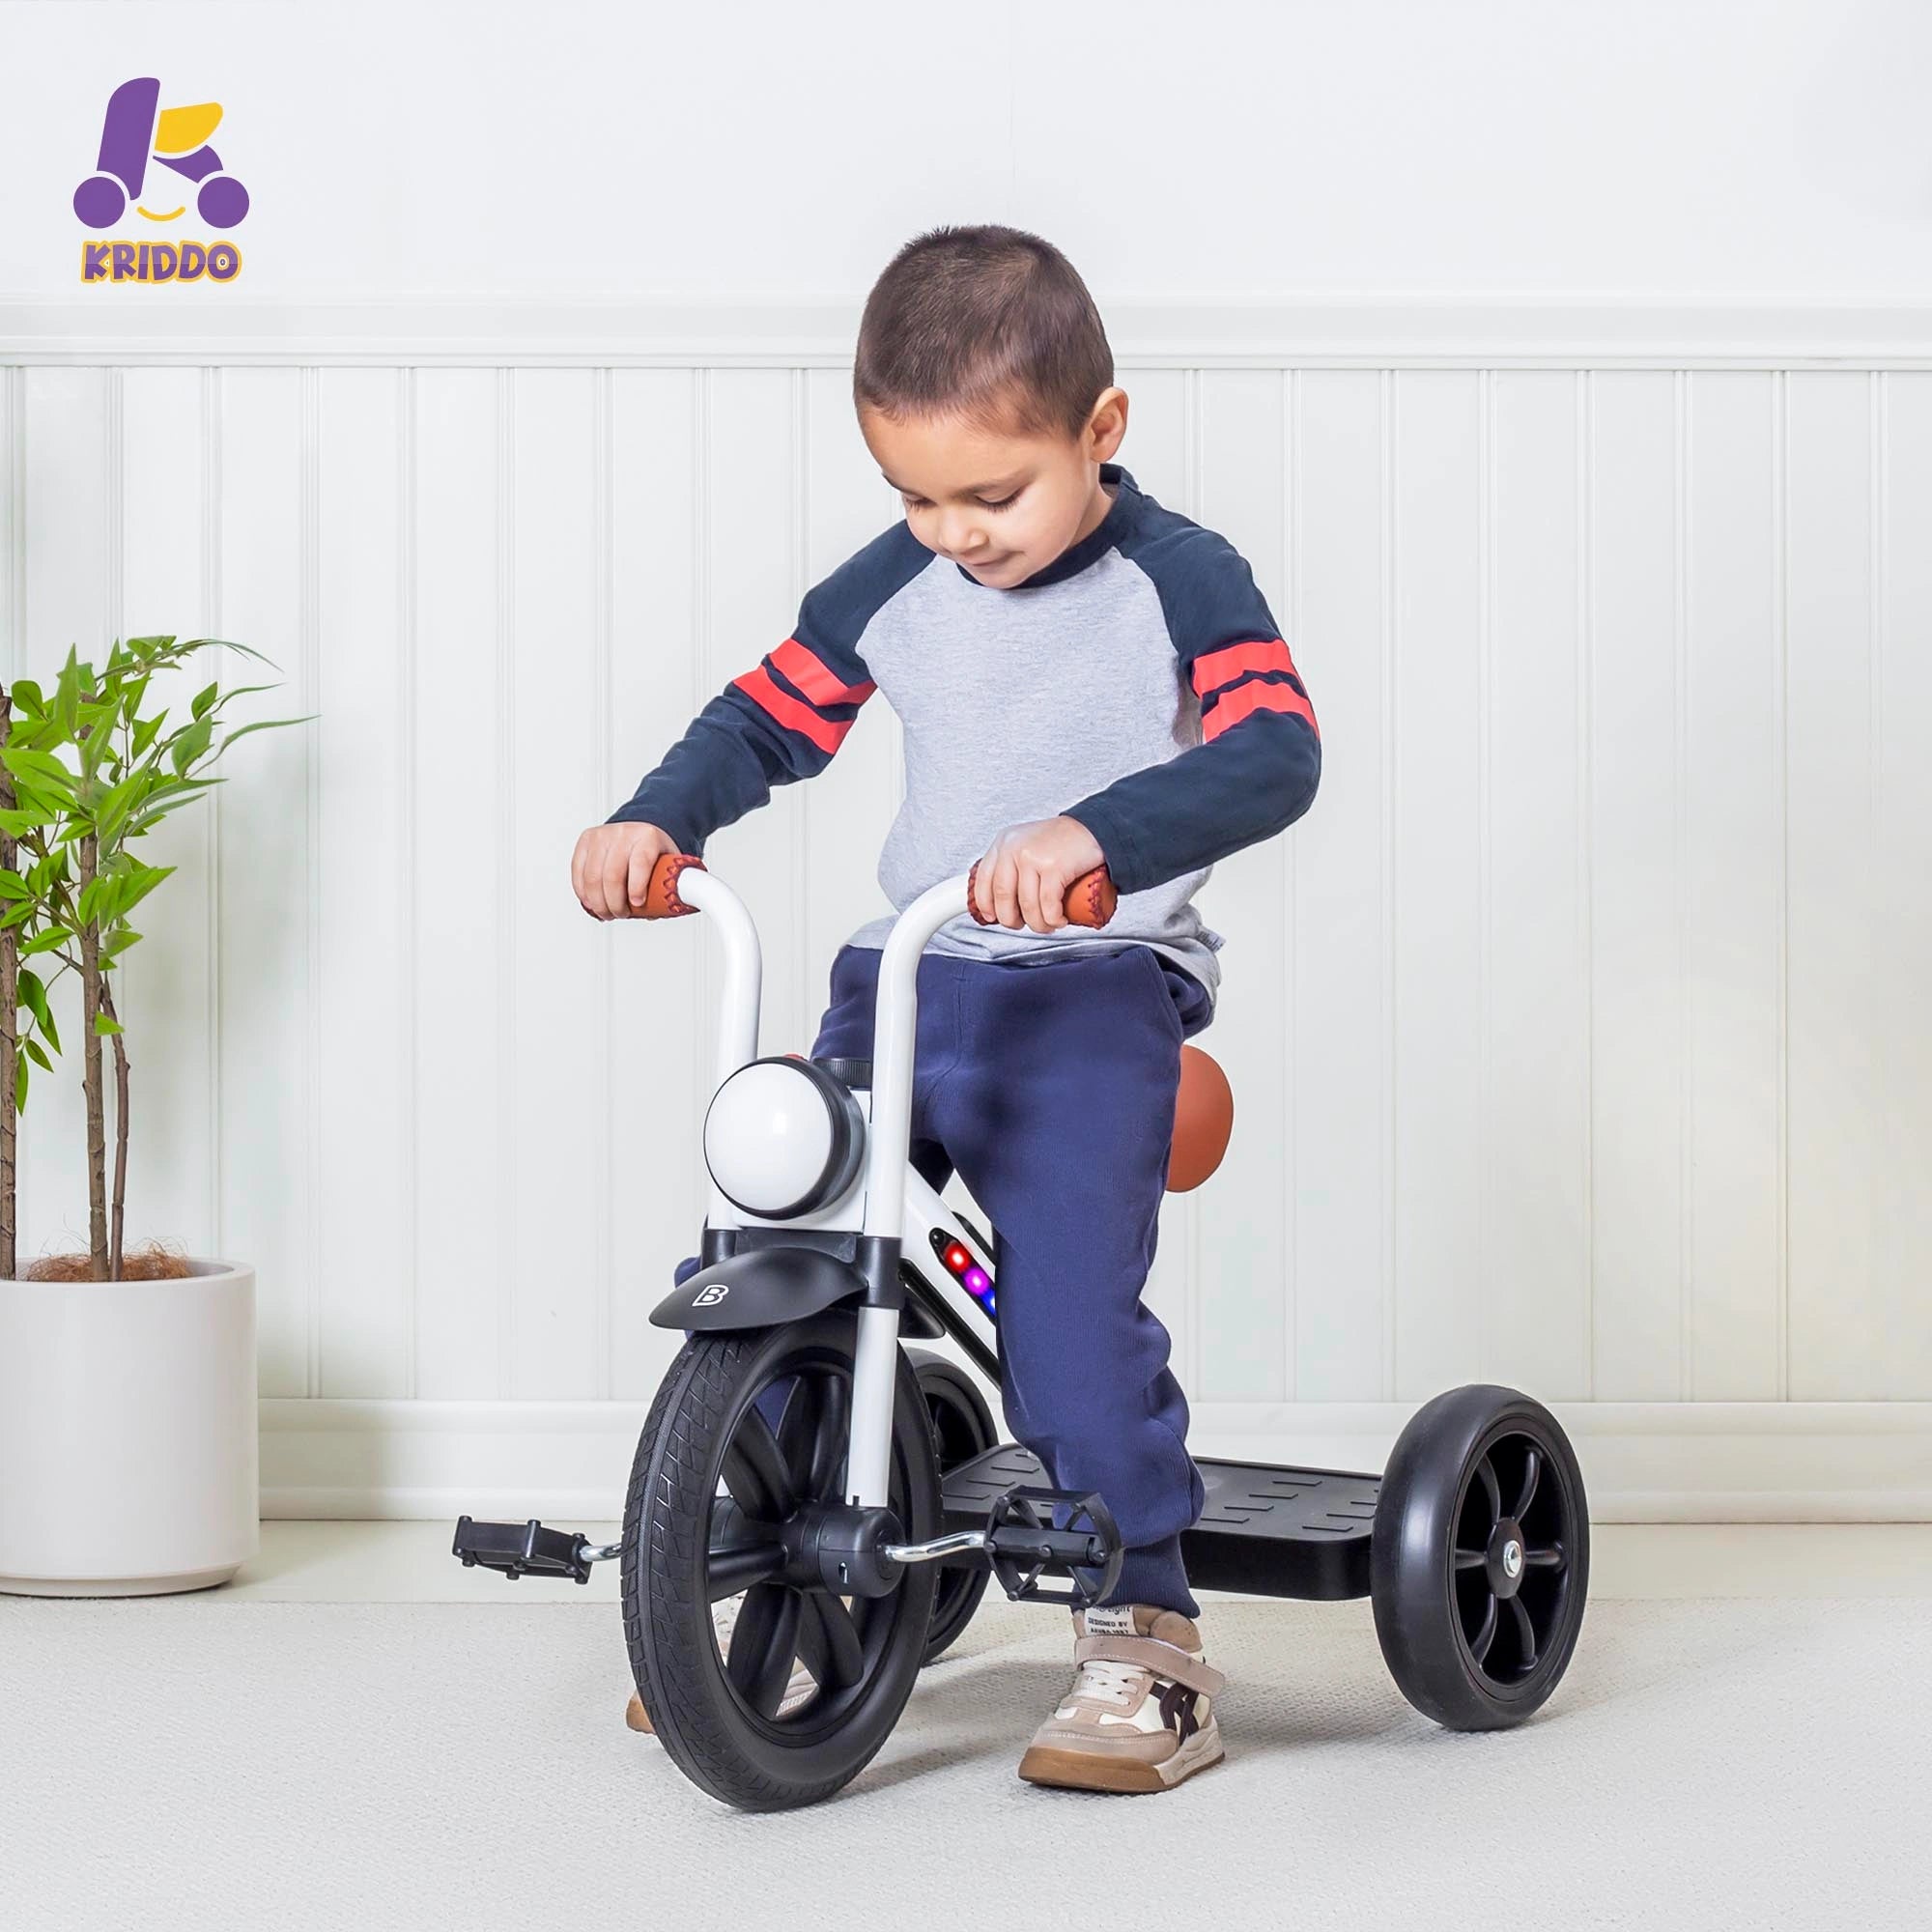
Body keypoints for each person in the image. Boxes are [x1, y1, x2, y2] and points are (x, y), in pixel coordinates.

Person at [571, 223, 1321, 1793]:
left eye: (994, 494)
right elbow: (766, 716)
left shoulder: (1182, 581)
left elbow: (1274, 754)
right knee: (791, 1238)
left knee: (1061, 1317)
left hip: (1094, 990)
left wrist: (1098, 840)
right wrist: (661, 819)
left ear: (1100, 433)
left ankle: (1146, 1634)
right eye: (916, 494)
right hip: (909, 972)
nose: (954, 533)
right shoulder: (897, 578)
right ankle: (763, 1593)